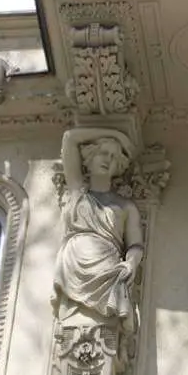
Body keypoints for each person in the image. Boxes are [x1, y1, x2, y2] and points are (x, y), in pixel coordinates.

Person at [52, 128, 145, 332]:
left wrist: (131, 263)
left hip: (107, 267)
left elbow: (136, 245)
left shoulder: (126, 207)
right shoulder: (77, 190)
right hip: (74, 264)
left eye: (113, 157)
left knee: (105, 326)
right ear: (90, 156)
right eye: (103, 153)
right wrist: (117, 134)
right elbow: (69, 138)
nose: (108, 160)